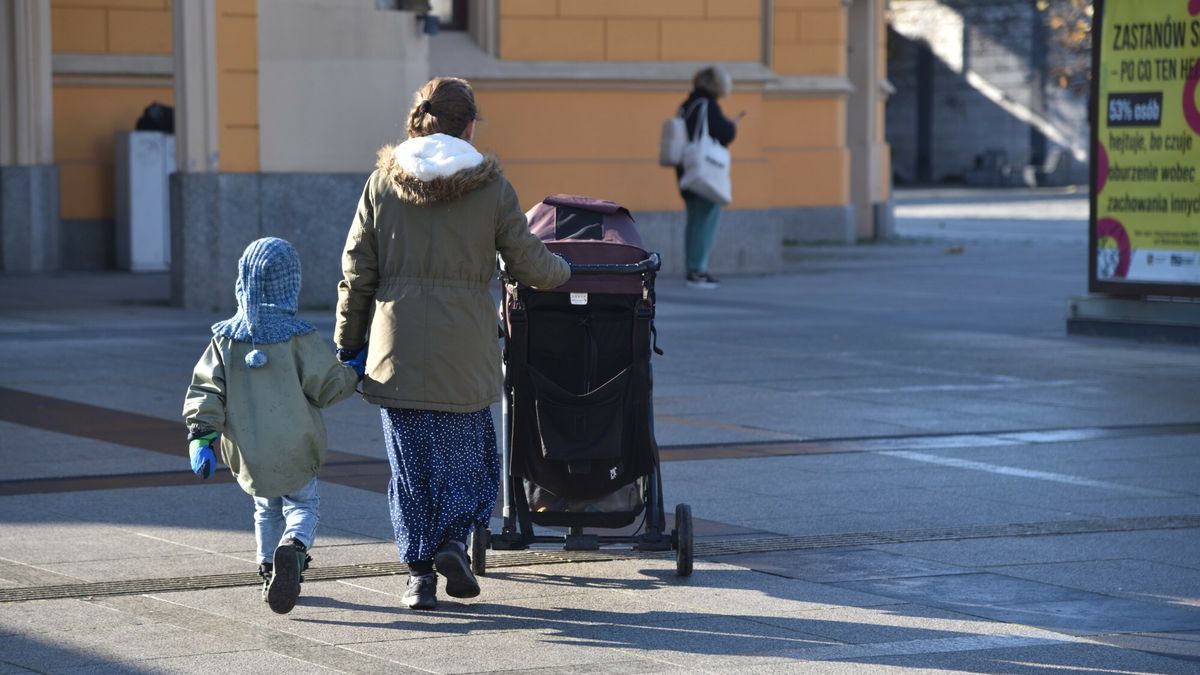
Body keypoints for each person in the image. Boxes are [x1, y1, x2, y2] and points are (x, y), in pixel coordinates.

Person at [334, 77, 570, 610]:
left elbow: (357, 272)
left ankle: (419, 577)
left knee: (410, 469)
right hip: (465, 349)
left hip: (395, 351)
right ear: (468, 125)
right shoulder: (490, 186)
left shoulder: (381, 183)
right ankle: (452, 542)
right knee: (470, 459)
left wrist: (349, 344)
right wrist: (566, 269)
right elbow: (529, 263)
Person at [182, 237, 365, 615]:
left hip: (250, 452)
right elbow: (327, 387)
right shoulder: (298, 338)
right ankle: (294, 549)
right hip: (295, 447)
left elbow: (206, 388)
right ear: (290, 283)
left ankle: (268, 569)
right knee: (303, 506)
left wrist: (201, 438)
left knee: (265, 508)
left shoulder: (224, 339)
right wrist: (354, 370)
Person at [676, 65, 744, 289]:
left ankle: (694, 269)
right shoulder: (708, 106)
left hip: (688, 171)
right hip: (705, 174)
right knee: (704, 221)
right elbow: (723, 133)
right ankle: (697, 271)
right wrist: (733, 126)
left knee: (695, 221)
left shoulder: (687, 105)